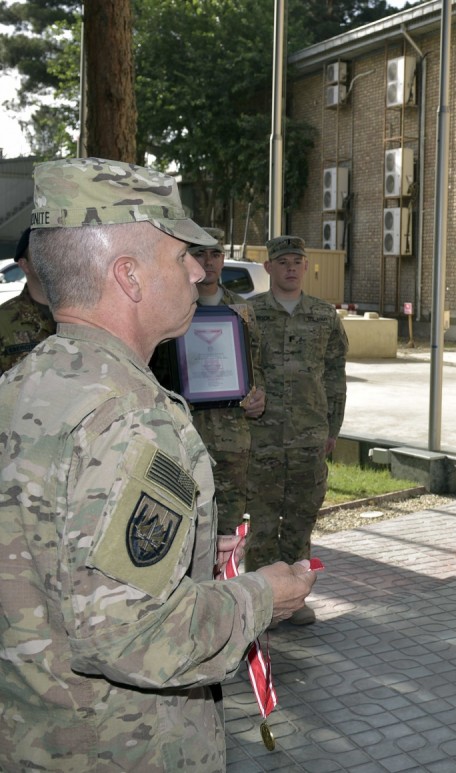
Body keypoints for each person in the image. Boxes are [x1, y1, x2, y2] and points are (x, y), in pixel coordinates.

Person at [0, 157, 318, 771]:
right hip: (119, 747)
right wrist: (262, 597)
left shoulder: (25, 384)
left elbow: (52, 555)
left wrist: (190, 551)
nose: (201, 272)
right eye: (181, 257)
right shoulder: (130, 417)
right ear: (130, 277)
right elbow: (134, 635)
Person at [246, 235, 347, 626]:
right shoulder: (250, 314)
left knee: (301, 520)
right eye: (282, 261)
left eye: (296, 261)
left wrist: (332, 427)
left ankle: (296, 599)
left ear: (306, 267)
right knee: (265, 523)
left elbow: (336, 374)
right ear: (268, 267)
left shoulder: (323, 315)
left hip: (308, 436)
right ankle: (261, 603)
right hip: (263, 437)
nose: (290, 267)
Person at [151, 227, 267, 534]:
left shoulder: (242, 309)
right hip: (184, 435)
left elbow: (258, 366)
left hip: (233, 439)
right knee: (183, 529)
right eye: (200, 253)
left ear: (223, 259)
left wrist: (260, 395)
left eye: (215, 253)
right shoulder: (167, 308)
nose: (209, 260)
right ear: (187, 257)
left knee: (227, 529)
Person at [0, 226, 56, 374]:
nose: (51, 259)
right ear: (25, 265)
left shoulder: (83, 312)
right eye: (41, 253)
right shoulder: (4, 321)